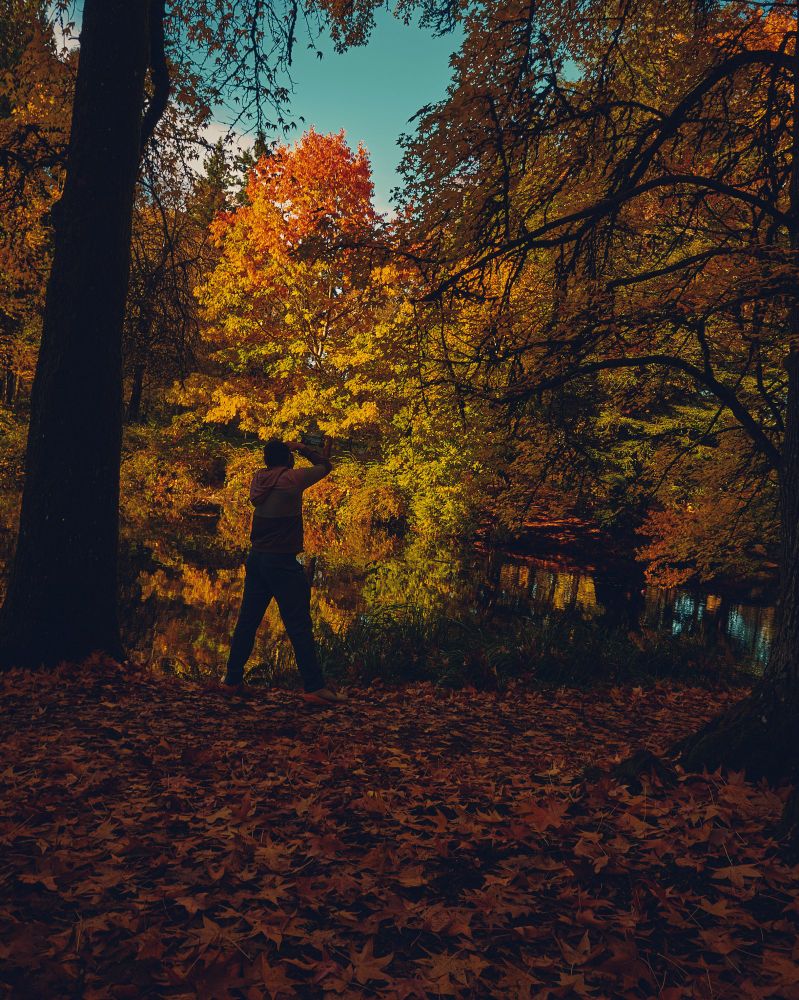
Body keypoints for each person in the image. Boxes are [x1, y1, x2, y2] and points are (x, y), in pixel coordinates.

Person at [222, 436, 346, 705]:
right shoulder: (293, 479)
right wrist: (301, 448)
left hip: (256, 559)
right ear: (288, 459)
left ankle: (232, 680)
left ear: (266, 460)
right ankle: (314, 686)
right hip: (282, 562)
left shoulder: (258, 479)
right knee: (299, 625)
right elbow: (326, 466)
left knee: (247, 622)